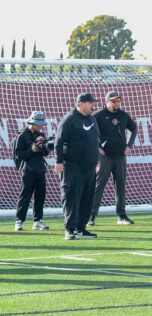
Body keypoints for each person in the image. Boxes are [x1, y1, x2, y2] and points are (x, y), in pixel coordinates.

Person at [54, 93, 100, 240]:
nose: (93, 105)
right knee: (71, 197)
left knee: (87, 198)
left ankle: (81, 228)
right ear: (81, 103)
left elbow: (94, 141)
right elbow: (58, 141)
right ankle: (69, 229)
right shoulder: (69, 119)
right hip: (73, 166)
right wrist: (59, 161)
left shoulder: (92, 119)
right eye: (90, 103)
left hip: (90, 167)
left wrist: (96, 160)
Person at [89, 91, 138, 226]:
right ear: (107, 101)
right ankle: (90, 216)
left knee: (120, 186)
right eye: (114, 101)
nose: (117, 103)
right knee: (99, 186)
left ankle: (122, 216)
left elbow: (134, 128)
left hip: (120, 156)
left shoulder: (123, 115)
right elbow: (89, 131)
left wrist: (129, 145)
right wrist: (97, 147)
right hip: (105, 157)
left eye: (118, 101)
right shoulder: (98, 115)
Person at [14, 111, 51, 231]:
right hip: (27, 170)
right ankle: (19, 221)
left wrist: (43, 144)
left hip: (40, 169)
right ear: (32, 122)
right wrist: (32, 149)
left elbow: (45, 153)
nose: (41, 126)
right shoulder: (22, 136)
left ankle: (38, 221)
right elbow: (18, 155)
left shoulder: (40, 134)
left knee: (40, 196)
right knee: (25, 195)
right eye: (39, 123)